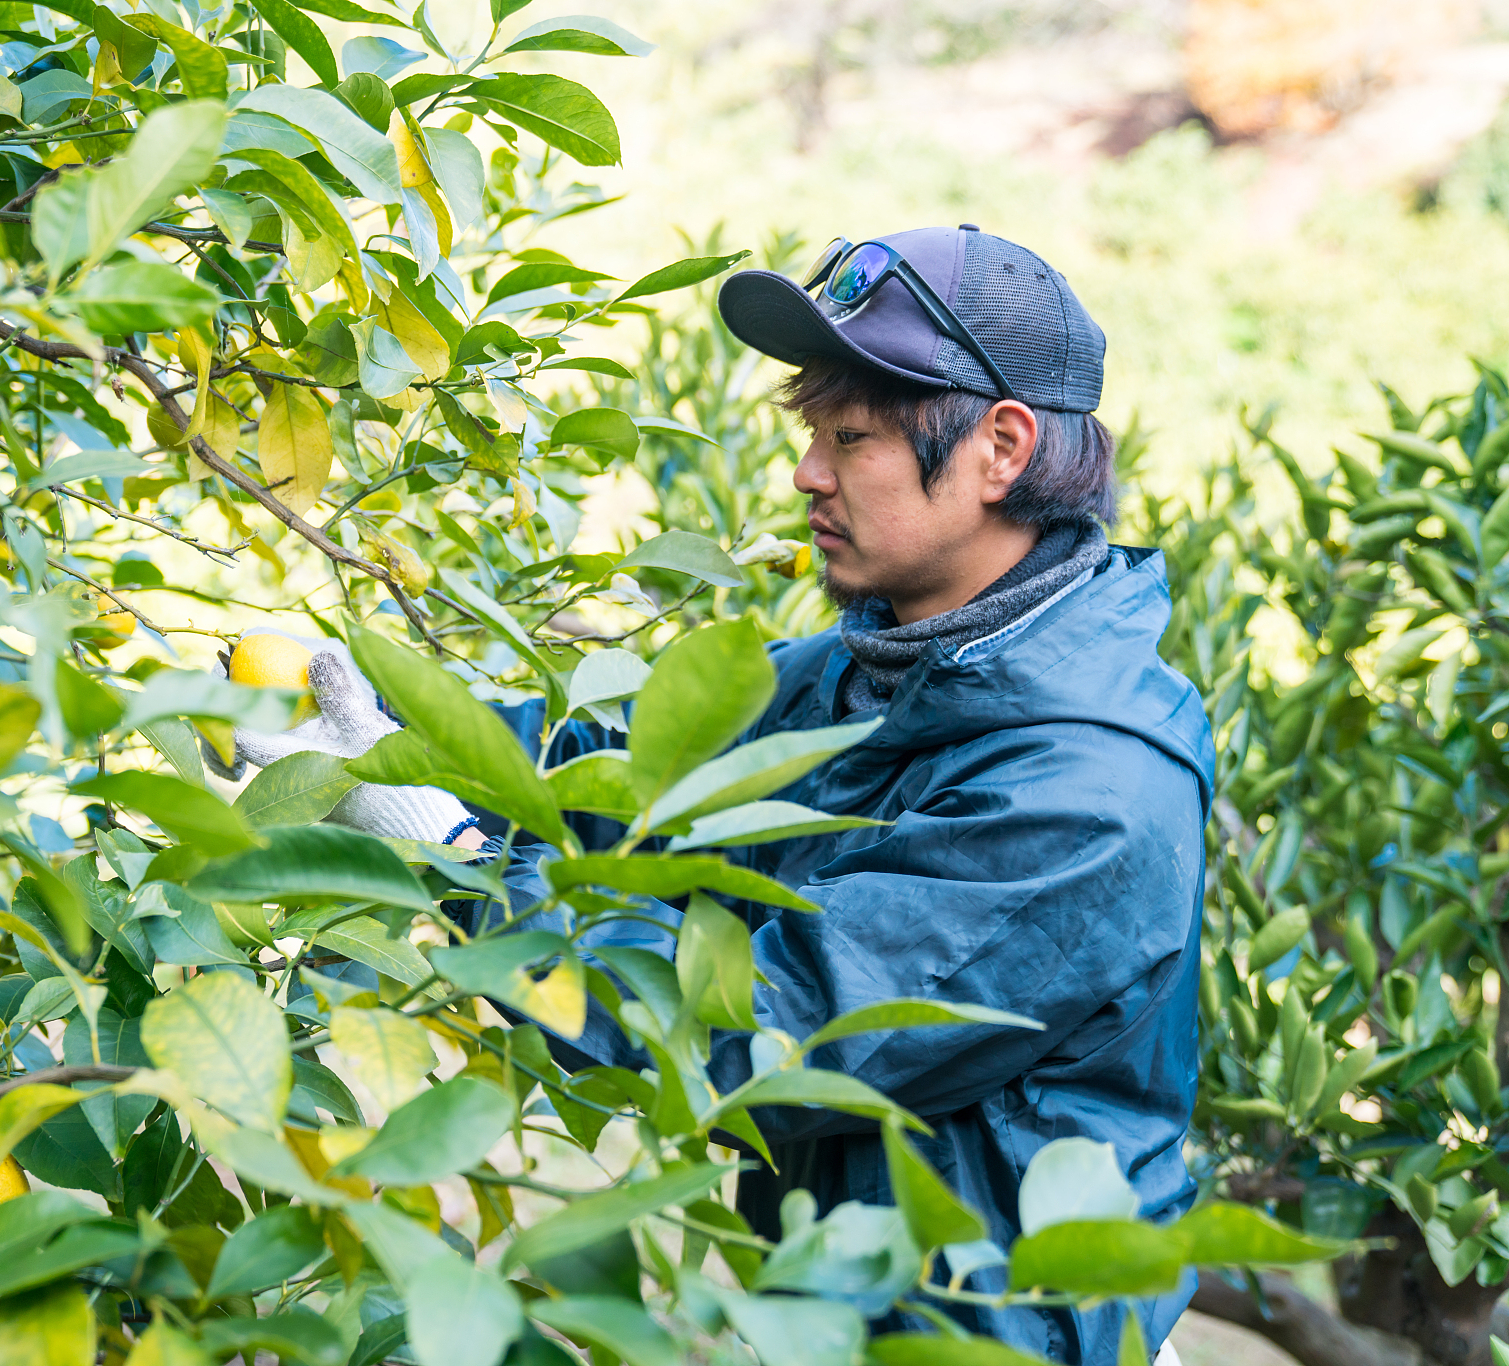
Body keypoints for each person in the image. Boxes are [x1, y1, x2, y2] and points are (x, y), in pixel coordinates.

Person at [219, 225, 1211, 1366]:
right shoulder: (871, 675)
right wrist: (372, 722)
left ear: (999, 447)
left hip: (987, 1333)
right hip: (824, 1307)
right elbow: (601, 769)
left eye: (851, 437)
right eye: (810, 433)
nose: (807, 473)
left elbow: (760, 1046)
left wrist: (458, 857)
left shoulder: (1085, 794)